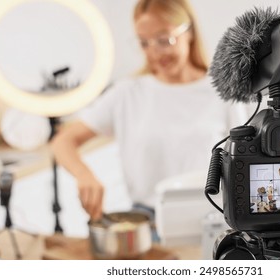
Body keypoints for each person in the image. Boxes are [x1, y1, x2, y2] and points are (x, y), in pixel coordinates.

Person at [50, 0, 246, 221]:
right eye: (144, 43)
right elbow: (62, 141)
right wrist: (84, 175)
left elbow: (244, 164)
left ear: (189, 32)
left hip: (212, 218)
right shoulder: (127, 93)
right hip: (147, 221)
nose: (154, 53)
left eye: (164, 40)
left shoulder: (224, 92)